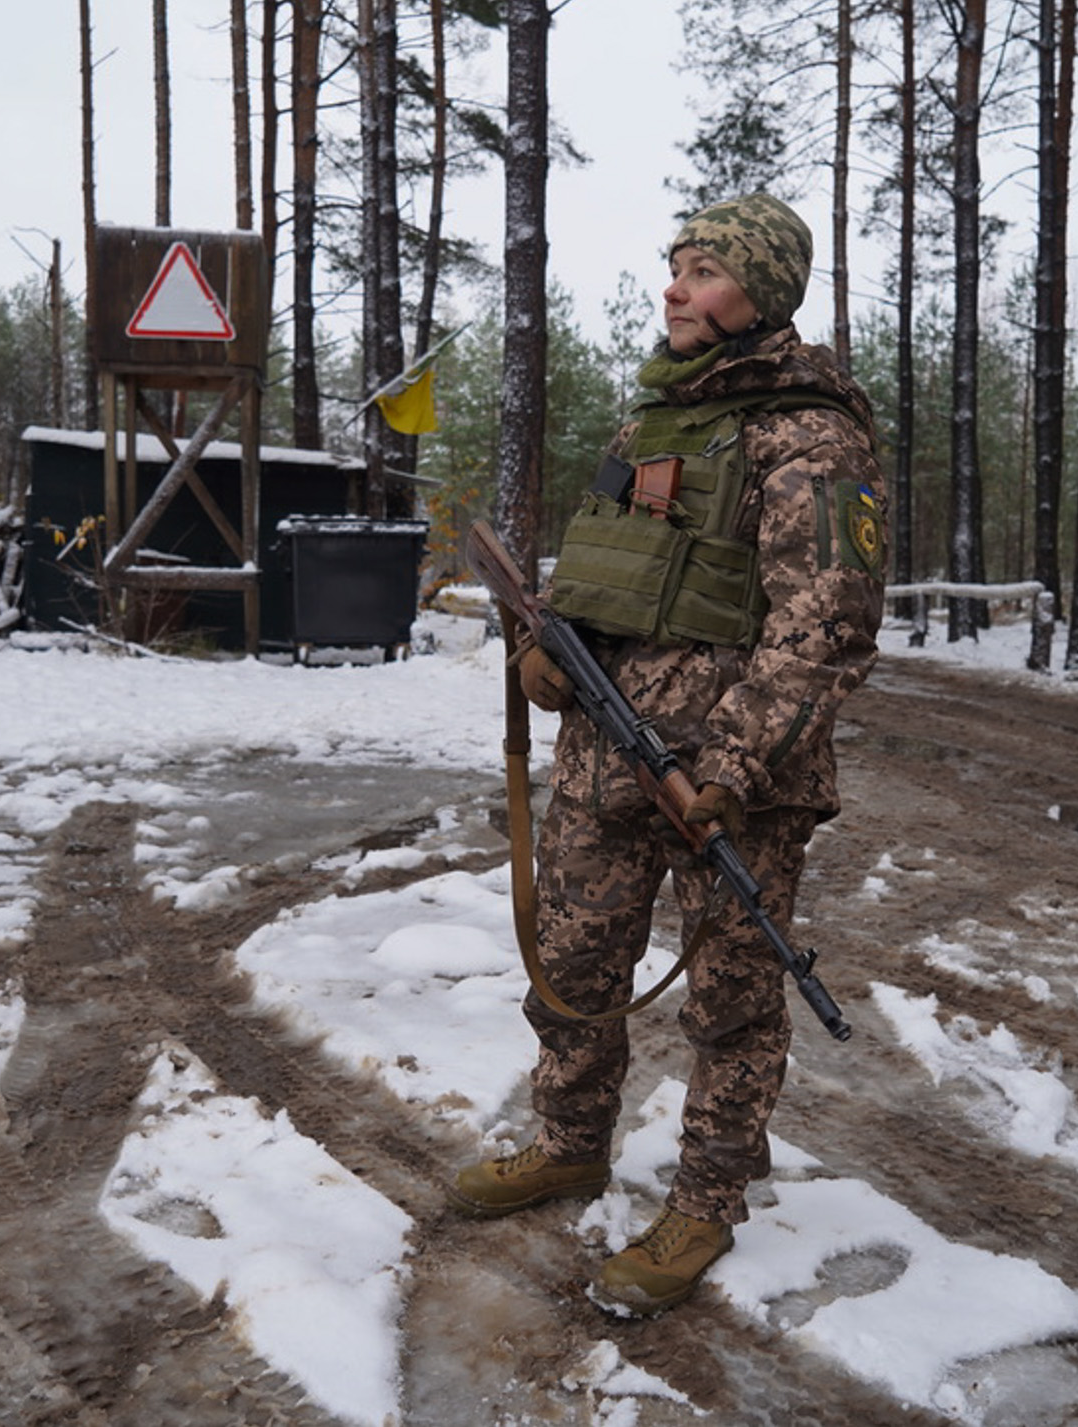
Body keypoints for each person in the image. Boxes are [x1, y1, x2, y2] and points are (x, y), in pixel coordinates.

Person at [449, 193, 888, 1316]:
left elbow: (822, 633)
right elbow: (600, 569)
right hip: (606, 758)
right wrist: (543, 647)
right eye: (675, 265)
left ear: (761, 293)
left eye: (702, 270)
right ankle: (568, 1140)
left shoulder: (810, 438)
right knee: (574, 966)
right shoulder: (648, 425)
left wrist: (730, 768)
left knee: (734, 999)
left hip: (729, 785)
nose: (674, 287)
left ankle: (704, 1197)